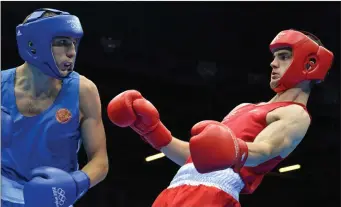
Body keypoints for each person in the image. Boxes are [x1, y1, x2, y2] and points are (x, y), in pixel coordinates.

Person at [107, 29, 334, 206]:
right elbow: (200, 157)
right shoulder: (244, 107)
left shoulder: (295, 114)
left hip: (211, 195)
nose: (273, 63)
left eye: (283, 57)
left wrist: (234, 148)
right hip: (174, 189)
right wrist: (152, 130)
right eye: (275, 57)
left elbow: (264, 151)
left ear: (309, 64)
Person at [1, 8, 109, 207]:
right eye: (62, 42)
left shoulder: (83, 91)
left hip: (54, 198)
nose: (72, 52)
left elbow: (100, 159)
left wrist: (76, 184)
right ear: (33, 44)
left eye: (74, 43)